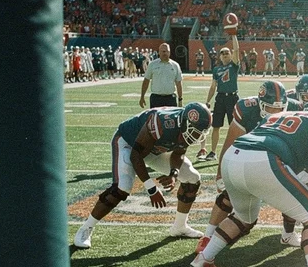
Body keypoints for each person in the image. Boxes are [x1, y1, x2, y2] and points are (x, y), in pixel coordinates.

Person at [190, 105, 308, 267]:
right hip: (263, 159)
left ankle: (204, 258)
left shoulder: (280, 116)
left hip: (233, 156)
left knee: (243, 217)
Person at [73, 103, 212, 249]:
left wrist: (173, 174)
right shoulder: (162, 123)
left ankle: (180, 226)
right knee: (122, 188)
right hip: (129, 143)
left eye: (201, 132)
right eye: (196, 131)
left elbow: (178, 153)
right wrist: (151, 188)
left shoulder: (184, 126)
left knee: (192, 178)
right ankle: (85, 229)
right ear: (185, 123)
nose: (198, 136)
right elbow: (136, 156)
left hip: (155, 149)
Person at [195, 80, 297, 254]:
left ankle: (289, 233)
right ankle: (207, 237)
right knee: (230, 195)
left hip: (278, 157)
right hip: (249, 157)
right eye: (270, 107)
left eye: (279, 108)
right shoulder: (246, 109)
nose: (275, 112)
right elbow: (229, 145)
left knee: (297, 186)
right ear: (260, 103)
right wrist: (221, 175)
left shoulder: (295, 109)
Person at [203, 32, 241, 161]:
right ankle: (213, 152)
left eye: (227, 52)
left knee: (234, 126)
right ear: (219, 56)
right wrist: (207, 101)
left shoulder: (234, 66)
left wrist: (234, 35)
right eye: (222, 53)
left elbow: (237, 49)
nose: (225, 54)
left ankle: (236, 152)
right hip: (220, 98)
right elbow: (213, 87)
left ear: (230, 55)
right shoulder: (216, 70)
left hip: (232, 98)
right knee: (216, 126)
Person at [139, 43, 183, 109]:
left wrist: (180, 99)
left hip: (170, 99)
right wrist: (142, 96)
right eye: (162, 51)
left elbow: (178, 83)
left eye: (166, 51)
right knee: (156, 119)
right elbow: (146, 81)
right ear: (159, 52)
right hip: (156, 99)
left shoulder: (175, 65)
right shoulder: (152, 65)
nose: (164, 53)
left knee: (170, 119)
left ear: (169, 52)